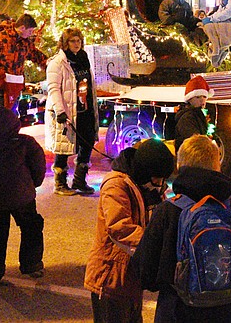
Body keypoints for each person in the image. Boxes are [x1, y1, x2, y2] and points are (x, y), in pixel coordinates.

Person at [133, 134, 231, 323]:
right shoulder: (229, 207)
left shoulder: (169, 210)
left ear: (180, 166)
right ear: (217, 165)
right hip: (230, 311)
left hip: (179, 312)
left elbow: (145, 273)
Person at [86, 138, 175, 323]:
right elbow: (120, 227)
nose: (160, 183)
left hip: (131, 276)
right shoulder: (116, 184)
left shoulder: (148, 186)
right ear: (145, 172)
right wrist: (154, 245)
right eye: (157, 178)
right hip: (111, 278)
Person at [0, 106, 47, 286]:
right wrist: (33, 184)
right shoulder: (27, 143)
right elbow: (39, 167)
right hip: (22, 197)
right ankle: (31, 264)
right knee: (31, 228)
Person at [46, 26, 99, 195]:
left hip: (84, 109)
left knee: (87, 142)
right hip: (67, 110)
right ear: (65, 43)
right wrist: (60, 111)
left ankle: (79, 180)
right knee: (64, 148)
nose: (76, 44)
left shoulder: (83, 58)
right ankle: (60, 183)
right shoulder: (58, 62)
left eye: (79, 41)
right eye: (73, 41)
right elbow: (54, 88)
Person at [0, 13, 42, 111]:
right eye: (30, 30)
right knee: (2, 121)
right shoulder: (0, 38)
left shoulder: (24, 43)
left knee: (10, 121)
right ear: (22, 28)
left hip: (14, 88)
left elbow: (36, 55)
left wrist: (49, 63)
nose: (31, 34)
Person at [173, 76, 212, 145]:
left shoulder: (198, 115)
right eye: (197, 97)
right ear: (189, 99)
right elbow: (195, 143)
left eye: (204, 96)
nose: (202, 100)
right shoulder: (187, 118)